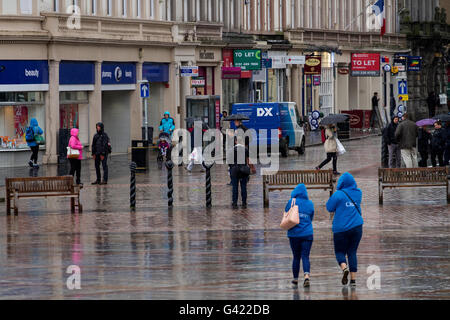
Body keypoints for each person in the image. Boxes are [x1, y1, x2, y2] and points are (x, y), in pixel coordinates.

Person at [326, 172, 364, 288]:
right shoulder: (359, 193)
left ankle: (344, 268)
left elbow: (329, 207)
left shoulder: (338, 194)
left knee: (339, 252)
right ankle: (353, 280)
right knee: (352, 252)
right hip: (357, 227)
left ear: (341, 182)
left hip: (340, 228)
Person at [285, 184, 314, 288]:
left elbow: (286, 214)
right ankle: (306, 276)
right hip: (307, 233)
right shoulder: (310, 203)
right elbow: (311, 217)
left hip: (294, 234)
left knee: (296, 257)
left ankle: (295, 279)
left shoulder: (291, 202)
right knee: (305, 256)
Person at [227, 136, 250, 209]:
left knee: (235, 187)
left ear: (235, 141)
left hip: (234, 170)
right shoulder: (245, 149)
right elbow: (247, 160)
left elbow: (229, 162)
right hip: (244, 170)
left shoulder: (231, 150)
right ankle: (244, 202)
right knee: (243, 187)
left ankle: (234, 203)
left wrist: (231, 168)